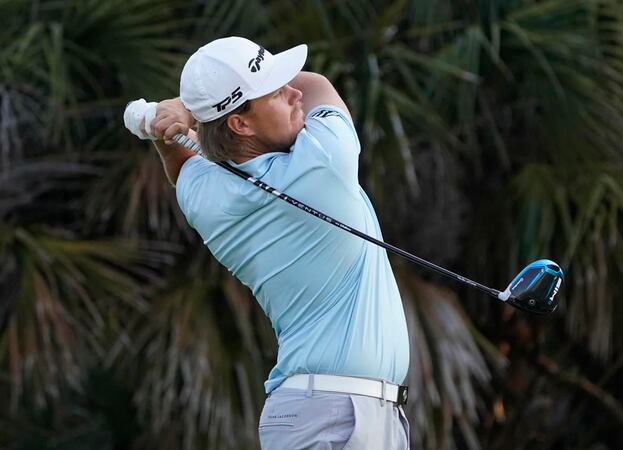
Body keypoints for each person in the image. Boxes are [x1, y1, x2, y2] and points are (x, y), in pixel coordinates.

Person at [125, 36, 410, 449]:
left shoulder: (207, 199)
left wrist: (181, 116)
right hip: (335, 416)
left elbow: (180, 160)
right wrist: (184, 108)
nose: (293, 93)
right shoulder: (323, 159)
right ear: (240, 123)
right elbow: (317, 85)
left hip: (334, 413)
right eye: (276, 92)